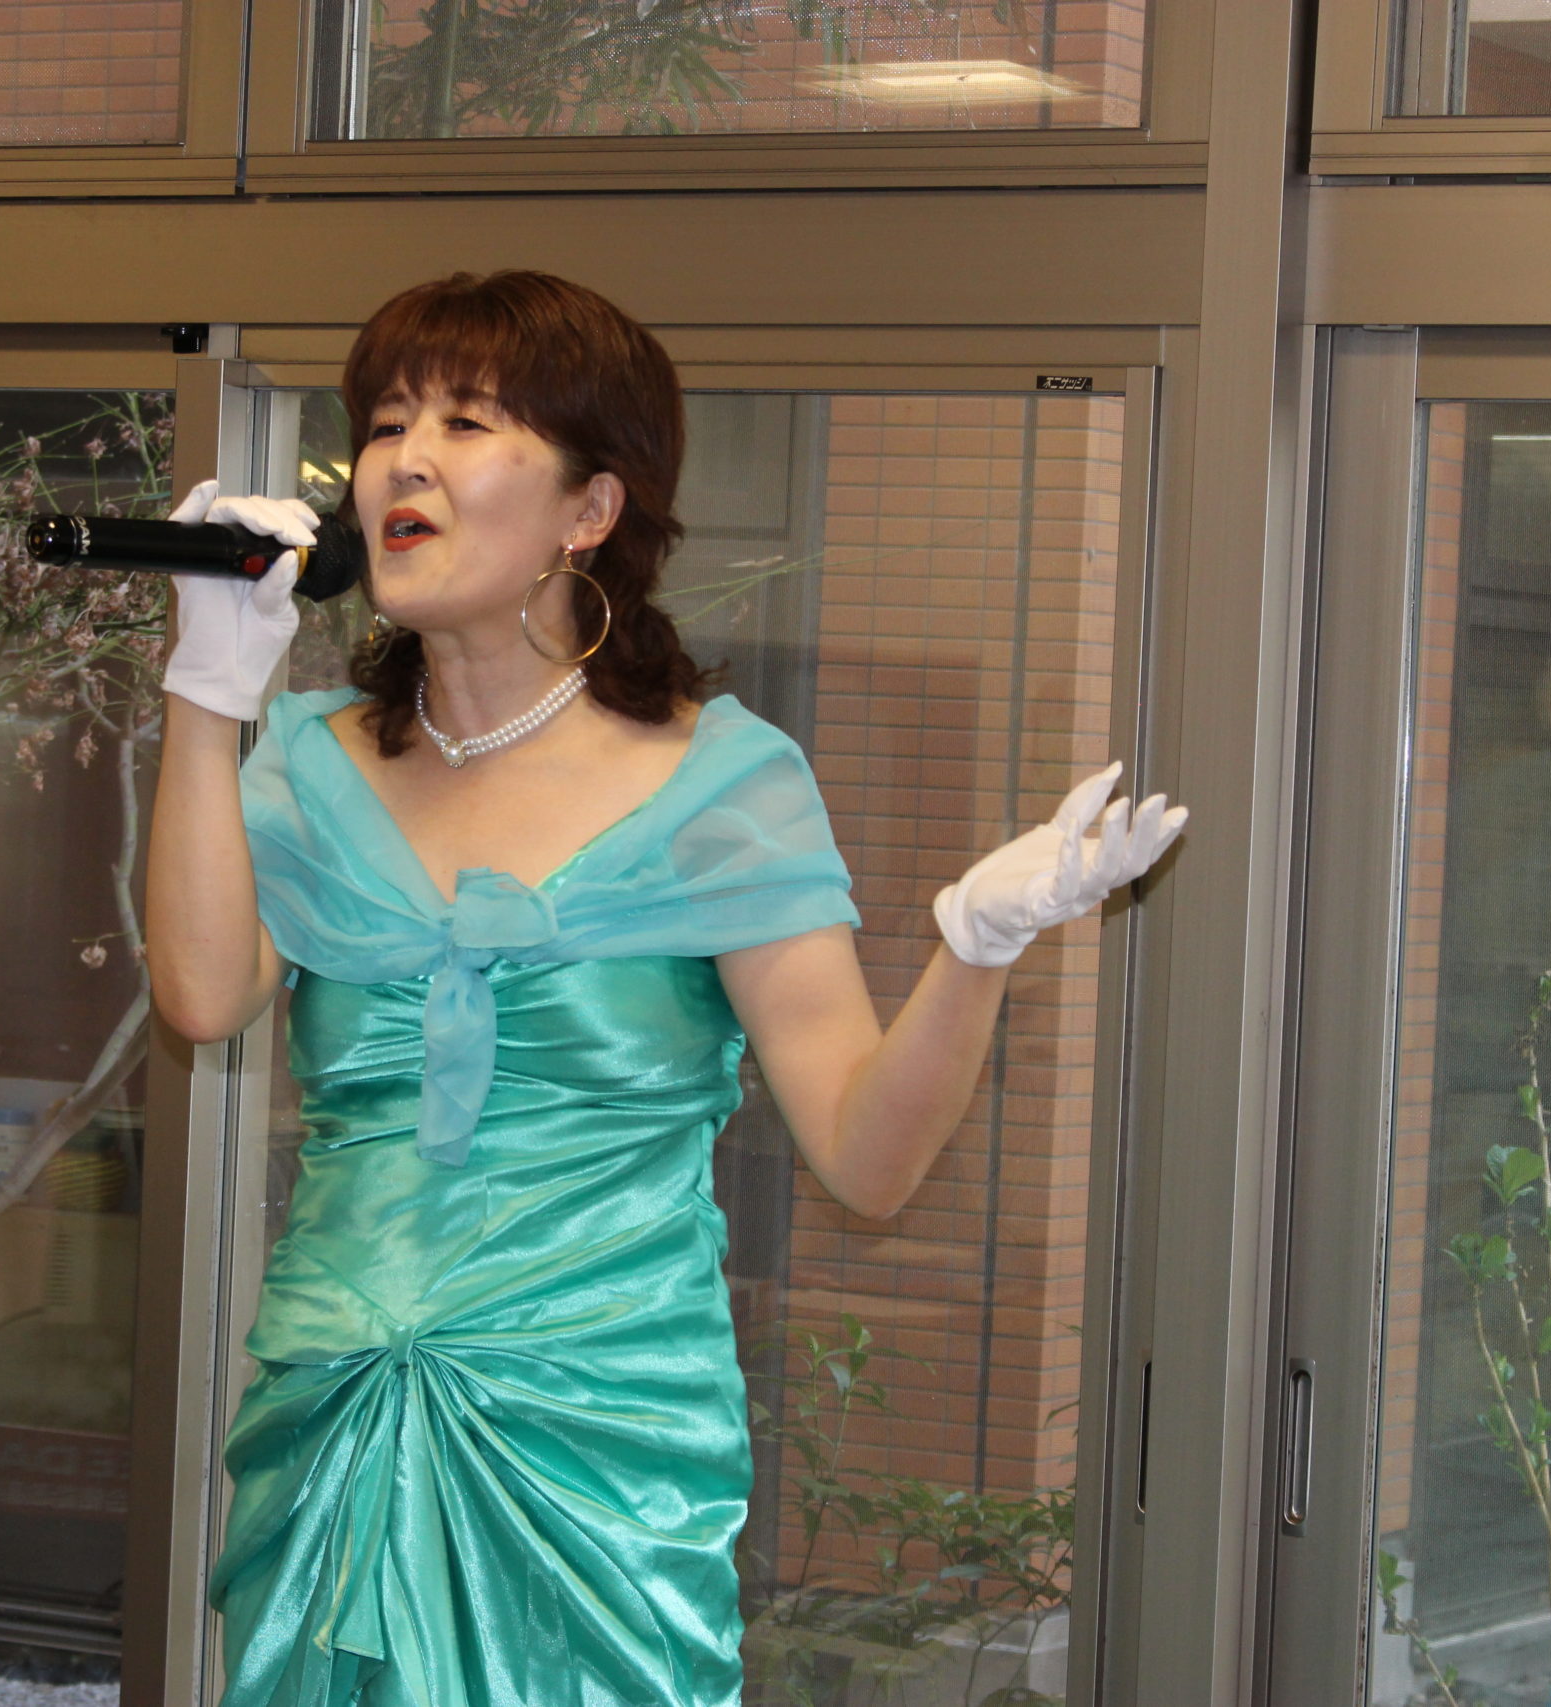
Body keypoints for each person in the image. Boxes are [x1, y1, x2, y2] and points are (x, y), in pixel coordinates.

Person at [146, 270, 1187, 1707]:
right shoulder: (309, 763)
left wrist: (977, 947)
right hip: (340, 1420)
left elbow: (868, 1160)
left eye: (466, 423)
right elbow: (203, 999)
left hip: (599, 1446)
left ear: (590, 509)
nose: (406, 461)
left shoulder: (722, 782)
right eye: (385, 425)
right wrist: (207, 699)